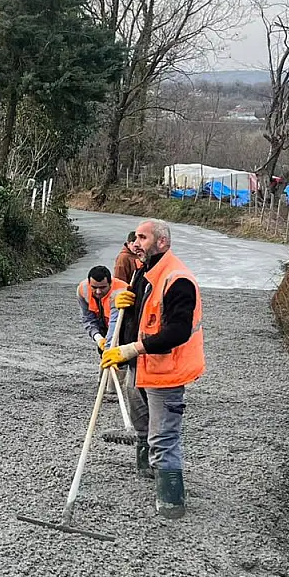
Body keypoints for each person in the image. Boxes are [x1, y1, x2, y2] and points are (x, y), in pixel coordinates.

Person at [100, 218, 203, 519]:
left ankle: (172, 503)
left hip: (166, 370)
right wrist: (124, 305)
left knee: (164, 436)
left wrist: (131, 349)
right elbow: (143, 318)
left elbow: (176, 332)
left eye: (143, 238)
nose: (136, 243)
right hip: (142, 366)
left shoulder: (178, 279)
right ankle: (148, 471)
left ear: (161, 242)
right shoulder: (144, 274)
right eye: (135, 238)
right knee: (142, 424)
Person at [77, 265, 127, 353]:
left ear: (110, 283)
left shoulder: (120, 290)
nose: (98, 292)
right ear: (89, 283)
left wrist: (108, 349)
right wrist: (98, 338)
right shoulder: (83, 289)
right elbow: (88, 318)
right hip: (103, 327)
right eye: (94, 287)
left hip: (123, 330)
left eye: (103, 287)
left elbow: (114, 323)